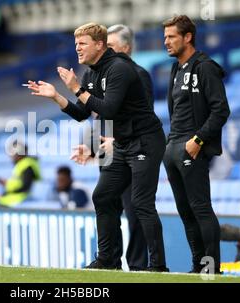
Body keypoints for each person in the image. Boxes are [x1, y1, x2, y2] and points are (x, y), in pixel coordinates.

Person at [27, 23, 168, 271]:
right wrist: (56, 96)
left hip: (145, 140)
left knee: (141, 204)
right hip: (123, 144)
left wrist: (75, 88)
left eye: (83, 44)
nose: (77, 49)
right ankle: (108, 261)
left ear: (99, 45)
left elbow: (108, 110)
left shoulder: (120, 69)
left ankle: (158, 267)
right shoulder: (91, 73)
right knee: (102, 196)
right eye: (76, 44)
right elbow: (83, 114)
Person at [71, 24, 151, 271]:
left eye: (113, 48)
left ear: (125, 49)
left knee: (134, 209)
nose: (109, 53)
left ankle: (137, 267)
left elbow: (141, 115)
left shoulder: (137, 74)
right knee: (107, 204)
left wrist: (120, 140)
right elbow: (99, 116)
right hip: (109, 153)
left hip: (132, 149)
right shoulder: (99, 73)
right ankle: (110, 262)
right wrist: (93, 148)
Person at [162, 15, 230, 274]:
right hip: (174, 147)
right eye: (165, 37)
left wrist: (198, 140)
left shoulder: (205, 67)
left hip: (192, 146)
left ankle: (211, 269)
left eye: (172, 37)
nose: (166, 42)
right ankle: (197, 265)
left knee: (200, 208)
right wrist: (171, 146)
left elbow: (221, 110)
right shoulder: (176, 68)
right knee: (185, 211)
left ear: (187, 37)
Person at [0, 142, 41, 207]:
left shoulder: (27, 166)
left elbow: (25, 187)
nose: (11, 156)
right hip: (14, 198)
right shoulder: (22, 165)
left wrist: (7, 192)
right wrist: (6, 184)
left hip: (21, 200)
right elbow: (17, 183)